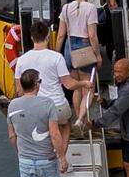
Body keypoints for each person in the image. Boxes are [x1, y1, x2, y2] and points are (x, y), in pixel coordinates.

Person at [13, 19, 93, 152]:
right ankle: (61, 156)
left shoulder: (21, 60)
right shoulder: (56, 57)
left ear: (32, 38)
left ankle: (48, 153)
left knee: (43, 129)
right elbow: (69, 85)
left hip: (34, 108)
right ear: (48, 36)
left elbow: (19, 90)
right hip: (57, 107)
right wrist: (84, 83)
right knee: (66, 125)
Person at [56, 0, 102, 126]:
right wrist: (98, 55)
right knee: (88, 87)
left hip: (69, 49)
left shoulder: (65, 8)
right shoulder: (91, 8)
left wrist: (57, 54)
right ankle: (81, 119)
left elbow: (61, 35)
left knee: (76, 87)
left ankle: (78, 119)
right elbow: (92, 35)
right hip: (85, 48)